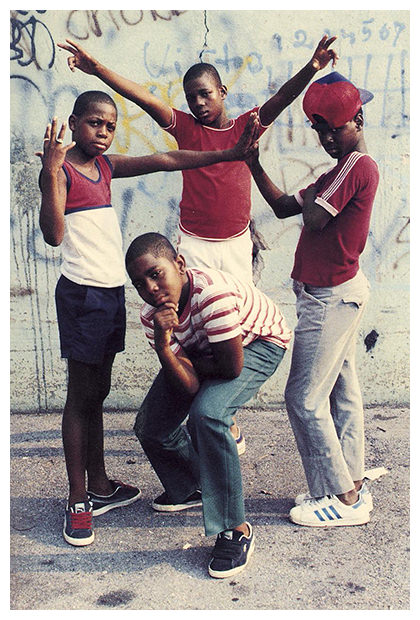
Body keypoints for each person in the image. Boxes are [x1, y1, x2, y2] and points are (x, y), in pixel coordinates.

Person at [57, 34, 338, 451]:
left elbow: (281, 97)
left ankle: (226, 414)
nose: (198, 103)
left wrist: (312, 67)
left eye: (205, 94)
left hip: (236, 244)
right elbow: (142, 97)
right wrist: (97, 69)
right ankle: (194, 407)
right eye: (191, 97)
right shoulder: (185, 127)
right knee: (193, 328)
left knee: (234, 330)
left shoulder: (246, 126)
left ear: (222, 92)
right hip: (194, 245)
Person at [36, 90, 260, 547]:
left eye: (111, 126)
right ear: (74, 123)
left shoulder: (103, 167)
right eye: (94, 123)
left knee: (96, 391)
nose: (103, 131)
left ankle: (99, 486)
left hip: (109, 295)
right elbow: (54, 234)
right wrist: (50, 171)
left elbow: (164, 158)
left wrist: (232, 152)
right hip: (81, 297)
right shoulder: (61, 172)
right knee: (81, 397)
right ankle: (78, 500)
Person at [246, 72, 380, 527]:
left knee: (303, 399)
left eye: (334, 128)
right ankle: (350, 483)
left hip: (330, 299)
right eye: (319, 130)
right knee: (342, 392)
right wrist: (253, 163)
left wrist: (317, 196)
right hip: (331, 295)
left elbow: (317, 219)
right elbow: (287, 207)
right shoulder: (336, 171)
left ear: (358, 119)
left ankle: (341, 500)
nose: (326, 138)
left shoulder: (355, 166)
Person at [125, 232, 291, 577]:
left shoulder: (210, 294)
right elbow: (186, 384)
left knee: (209, 415)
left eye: (156, 274)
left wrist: (188, 363)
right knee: (151, 426)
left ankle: (236, 529)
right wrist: (163, 345)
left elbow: (231, 367)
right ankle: (192, 486)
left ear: (180, 265)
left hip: (257, 342)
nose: (152, 288)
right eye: (141, 284)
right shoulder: (151, 316)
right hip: (208, 350)